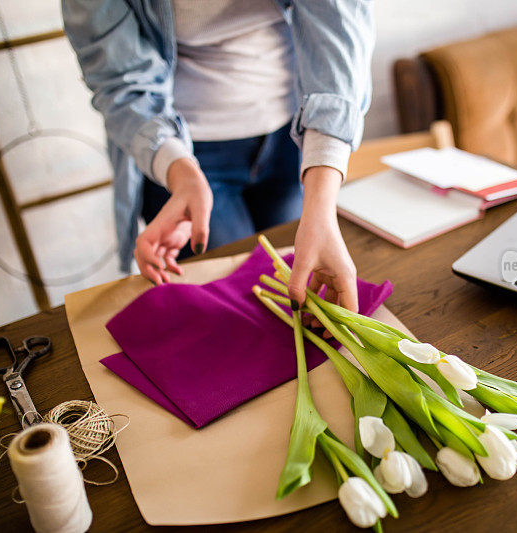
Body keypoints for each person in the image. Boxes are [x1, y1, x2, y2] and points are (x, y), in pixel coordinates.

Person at [62, 0, 374, 311]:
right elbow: (119, 79)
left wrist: (322, 208)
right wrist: (178, 171)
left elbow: (340, 32)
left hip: (295, 137)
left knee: (301, 287)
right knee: (236, 308)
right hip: (188, 153)